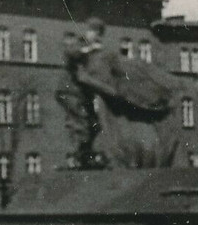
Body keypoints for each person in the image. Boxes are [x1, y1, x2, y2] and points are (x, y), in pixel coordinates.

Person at [57, 16, 180, 168]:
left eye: (91, 31)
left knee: (102, 127)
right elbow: (70, 54)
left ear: (98, 34)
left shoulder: (106, 55)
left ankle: (95, 156)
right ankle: (82, 155)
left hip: (99, 96)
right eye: (88, 30)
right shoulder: (82, 51)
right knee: (80, 125)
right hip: (81, 95)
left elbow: (118, 74)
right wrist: (84, 51)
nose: (87, 34)